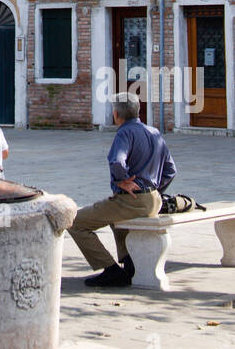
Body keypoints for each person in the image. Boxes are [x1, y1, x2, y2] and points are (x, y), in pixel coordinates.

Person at [67, 94, 177, 289]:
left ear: (116, 114)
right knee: (113, 216)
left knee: (75, 222)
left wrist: (121, 180)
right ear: (138, 110)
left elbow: (117, 161)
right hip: (154, 199)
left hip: (132, 200)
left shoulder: (124, 133)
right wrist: (155, 191)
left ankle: (111, 270)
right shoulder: (154, 132)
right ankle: (130, 262)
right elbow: (171, 170)